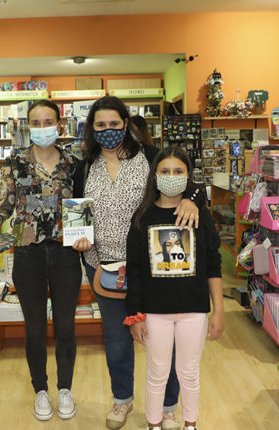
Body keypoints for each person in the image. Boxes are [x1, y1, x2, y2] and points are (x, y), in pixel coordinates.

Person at [72, 96, 203, 430]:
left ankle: (169, 407)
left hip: (155, 265)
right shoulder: (84, 166)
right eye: (100, 125)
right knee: (117, 339)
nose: (108, 130)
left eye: (114, 123)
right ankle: (122, 400)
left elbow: (185, 180)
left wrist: (192, 200)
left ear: (126, 123)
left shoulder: (148, 156)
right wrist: (79, 237)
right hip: (103, 265)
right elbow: (76, 209)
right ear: (91, 128)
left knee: (166, 339)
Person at [0, 100, 81, 422]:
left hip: (66, 253)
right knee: (34, 328)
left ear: (59, 124)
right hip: (27, 251)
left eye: (48, 121)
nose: (42, 127)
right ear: (28, 126)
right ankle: (41, 389)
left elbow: (84, 206)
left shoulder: (73, 162)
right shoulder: (15, 161)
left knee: (65, 326)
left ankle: (65, 388)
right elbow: (3, 206)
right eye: (36, 122)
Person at [125, 146, 223, 430]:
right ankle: (153, 425)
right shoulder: (142, 218)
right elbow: (135, 271)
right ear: (154, 176)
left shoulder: (200, 215)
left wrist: (219, 310)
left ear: (188, 176)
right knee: (157, 372)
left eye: (178, 171)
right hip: (155, 312)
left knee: (188, 372)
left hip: (194, 309)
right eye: (165, 171)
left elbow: (213, 265)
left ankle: (191, 424)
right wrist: (135, 315)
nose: (171, 176)